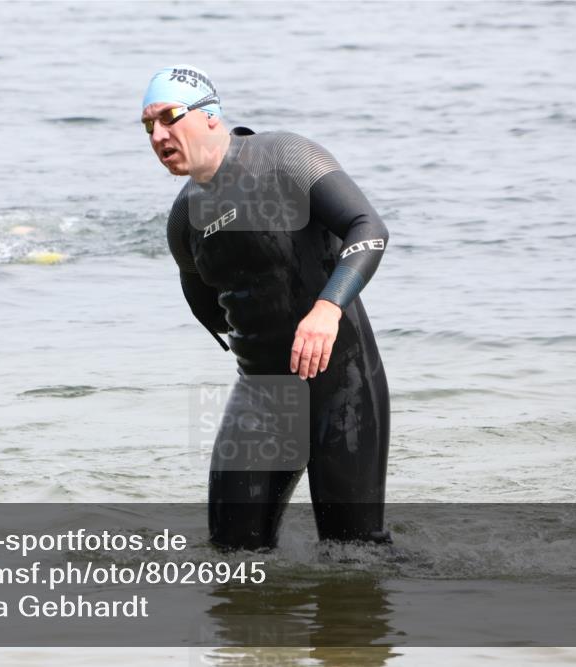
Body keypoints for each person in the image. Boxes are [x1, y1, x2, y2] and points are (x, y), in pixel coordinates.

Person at [143, 64, 391, 550]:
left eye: (169, 117)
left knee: (355, 559)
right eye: (149, 125)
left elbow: (368, 228)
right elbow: (209, 309)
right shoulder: (183, 219)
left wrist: (327, 308)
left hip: (343, 384)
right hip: (260, 396)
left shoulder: (284, 158)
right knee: (232, 558)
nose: (159, 135)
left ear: (210, 115)